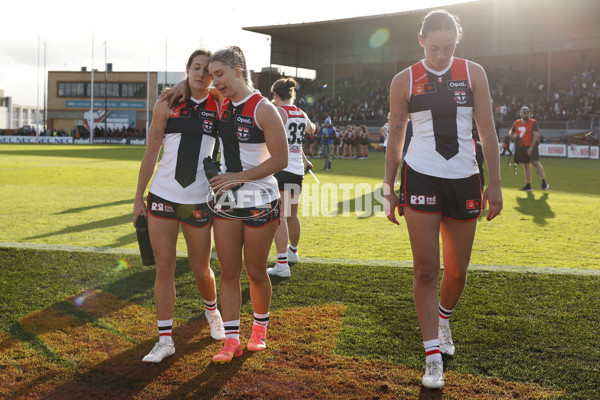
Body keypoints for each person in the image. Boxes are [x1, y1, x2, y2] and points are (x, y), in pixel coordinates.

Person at [384, 10, 503, 389]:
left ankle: (444, 320)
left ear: (457, 43)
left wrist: (496, 182)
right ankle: (432, 355)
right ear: (421, 42)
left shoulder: (473, 74)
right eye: (434, 47)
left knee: (457, 272)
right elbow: (397, 135)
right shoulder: (404, 80)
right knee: (425, 270)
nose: (440, 54)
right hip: (420, 175)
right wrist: (388, 186)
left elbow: (486, 129)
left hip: (465, 178)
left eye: (448, 47)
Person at [133, 48, 225, 364]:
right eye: (196, 68)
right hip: (163, 197)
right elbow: (151, 153)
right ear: (187, 69)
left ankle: (212, 311)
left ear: (214, 75)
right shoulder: (167, 103)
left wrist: (209, 87)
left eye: (207, 71)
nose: (201, 74)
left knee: (200, 268)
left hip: (198, 200)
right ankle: (165, 340)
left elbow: (241, 92)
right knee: (164, 266)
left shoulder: (219, 102)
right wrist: (138, 198)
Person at [206, 46, 288, 363]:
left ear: (238, 70)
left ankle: (259, 331)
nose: (215, 81)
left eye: (220, 74)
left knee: (255, 271)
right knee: (228, 272)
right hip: (226, 200)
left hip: (260, 200)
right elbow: (194, 86)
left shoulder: (263, 109)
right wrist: (177, 86)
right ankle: (230, 341)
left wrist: (237, 176)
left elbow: (280, 160)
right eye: (213, 75)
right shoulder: (220, 100)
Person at [266, 77, 315, 278]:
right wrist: (303, 158)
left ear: (276, 95)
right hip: (296, 170)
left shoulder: (278, 111)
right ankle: (292, 252)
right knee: (292, 215)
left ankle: (282, 264)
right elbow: (311, 129)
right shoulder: (301, 113)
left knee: (279, 215)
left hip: (281, 168)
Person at [508, 106, 549, 191]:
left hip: (532, 146)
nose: (526, 115)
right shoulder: (517, 123)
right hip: (522, 147)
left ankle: (544, 182)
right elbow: (511, 133)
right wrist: (513, 136)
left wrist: (531, 148)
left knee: (535, 163)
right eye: (524, 113)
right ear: (521, 114)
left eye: (527, 113)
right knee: (526, 165)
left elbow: (535, 135)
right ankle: (528, 185)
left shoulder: (533, 122)